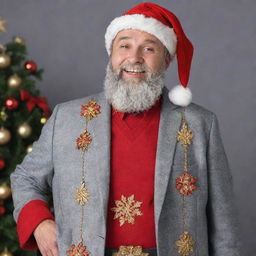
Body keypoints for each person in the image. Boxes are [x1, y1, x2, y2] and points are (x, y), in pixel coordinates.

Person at [11, 3, 241, 256]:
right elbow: (26, 179)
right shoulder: (67, 117)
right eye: (125, 45)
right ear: (111, 53)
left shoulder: (200, 124)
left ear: (167, 59)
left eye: (149, 48)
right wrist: (41, 224)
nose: (134, 58)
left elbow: (224, 223)